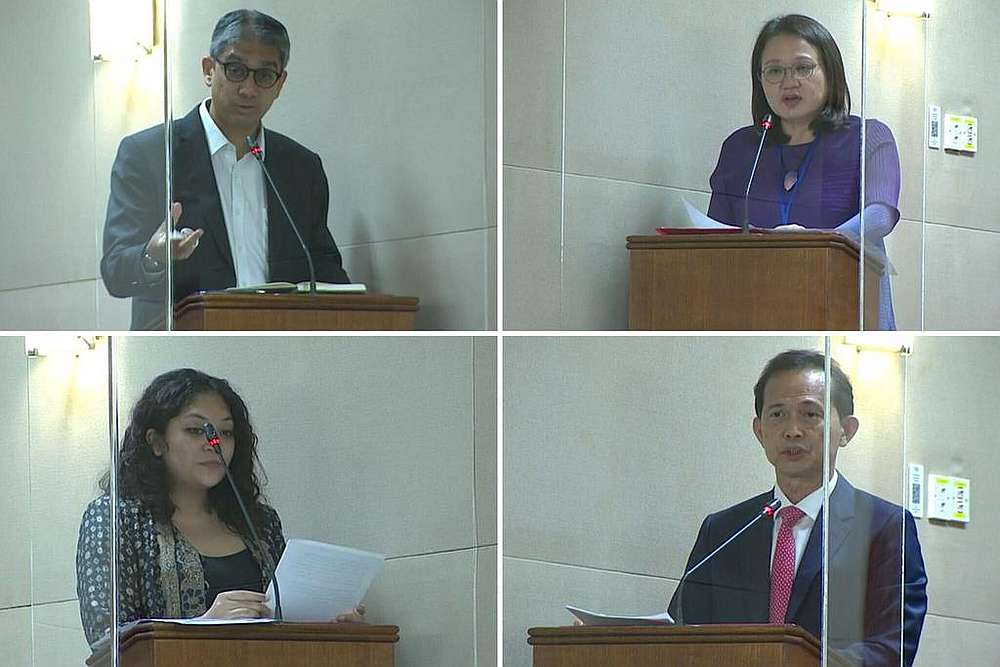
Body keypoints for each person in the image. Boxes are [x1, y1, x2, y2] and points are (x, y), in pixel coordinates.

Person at [667, 350, 927, 666]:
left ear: (846, 430)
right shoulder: (723, 531)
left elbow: (890, 650)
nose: (792, 430)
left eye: (810, 414)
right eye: (777, 414)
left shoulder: (886, 527)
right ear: (760, 431)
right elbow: (681, 635)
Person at [75, 368, 364, 650]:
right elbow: (106, 639)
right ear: (156, 442)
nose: (214, 444)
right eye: (195, 430)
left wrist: (330, 624)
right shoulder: (115, 518)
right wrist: (203, 625)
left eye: (225, 432)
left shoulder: (260, 522)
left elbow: (283, 621)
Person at [101, 10, 350, 330]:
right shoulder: (150, 155)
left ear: (280, 84)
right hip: (188, 344)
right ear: (209, 70)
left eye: (264, 75)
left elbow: (325, 271)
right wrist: (153, 257)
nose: (248, 89)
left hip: (280, 344)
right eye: (235, 70)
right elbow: (115, 271)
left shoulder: (301, 168)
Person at [707, 15, 901, 330]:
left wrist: (815, 242)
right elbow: (712, 235)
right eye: (774, 71)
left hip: (842, 302)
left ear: (830, 73)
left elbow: (879, 217)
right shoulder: (741, 149)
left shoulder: (867, 137)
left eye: (803, 67)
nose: (789, 81)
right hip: (753, 303)